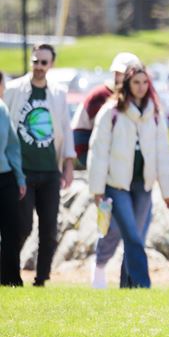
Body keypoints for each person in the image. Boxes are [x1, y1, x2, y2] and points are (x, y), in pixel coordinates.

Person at [88, 64, 169, 288]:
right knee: (132, 236)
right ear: (126, 84)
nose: (141, 87)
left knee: (135, 238)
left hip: (143, 185)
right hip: (117, 185)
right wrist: (97, 189)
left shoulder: (154, 113)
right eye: (136, 82)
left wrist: (167, 191)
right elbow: (98, 152)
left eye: (145, 82)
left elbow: (163, 153)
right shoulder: (112, 112)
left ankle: (127, 285)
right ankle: (143, 284)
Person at [2, 43, 76, 287]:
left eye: (44, 62)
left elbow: (65, 129)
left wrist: (68, 165)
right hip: (22, 171)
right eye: (36, 61)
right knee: (22, 226)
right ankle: (8, 268)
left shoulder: (58, 93)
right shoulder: (14, 89)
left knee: (49, 229)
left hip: (49, 170)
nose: (39, 67)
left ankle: (42, 278)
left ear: (51, 64)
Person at [71, 52, 141, 288]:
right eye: (121, 72)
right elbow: (79, 133)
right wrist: (89, 164)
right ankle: (99, 269)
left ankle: (128, 282)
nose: (124, 76)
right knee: (111, 228)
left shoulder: (143, 99)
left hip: (136, 178)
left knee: (134, 231)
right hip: (108, 178)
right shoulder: (98, 97)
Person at [1, 79, 27, 286]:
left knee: (12, 230)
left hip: (5, 176)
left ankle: (11, 279)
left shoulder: (2, 109)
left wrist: (19, 177)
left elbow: (12, 146)